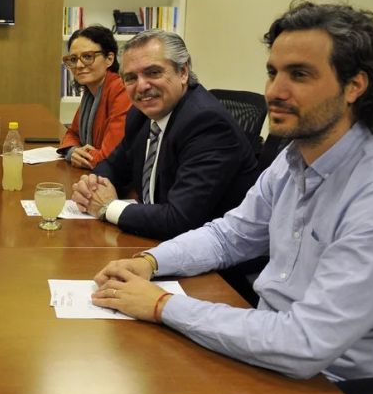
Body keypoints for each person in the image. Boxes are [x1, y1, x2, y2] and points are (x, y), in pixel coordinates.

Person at [91, 2, 373, 394]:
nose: (274, 92)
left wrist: (160, 306)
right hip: (269, 361)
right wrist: (150, 262)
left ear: (354, 86)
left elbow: (305, 343)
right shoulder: (293, 158)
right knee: (128, 384)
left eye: (299, 75)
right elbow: (230, 235)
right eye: (272, 72)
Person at [70, 29, 258, 240]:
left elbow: (179, 219)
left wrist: (108, 207)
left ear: (183, 72)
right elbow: (114, 164)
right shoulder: (140, 114)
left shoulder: (207, 124)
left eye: (153, 72)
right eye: (131, 78)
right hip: (156, 240)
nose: (142, 86)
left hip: (214, 261)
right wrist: (92, 185)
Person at [57, 25, 131, 169]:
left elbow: (110, 158)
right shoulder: (90, 93)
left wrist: (81, 155)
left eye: (87, 57)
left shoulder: (121, 91)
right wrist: (72, 151)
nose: (78, 65)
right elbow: (72, 133)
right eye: (73, 59)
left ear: (109, 59)